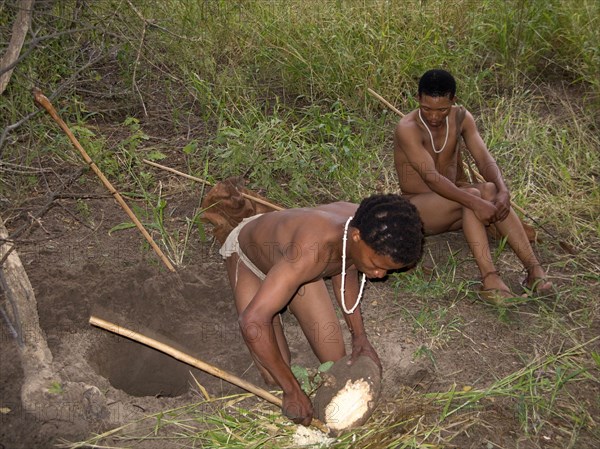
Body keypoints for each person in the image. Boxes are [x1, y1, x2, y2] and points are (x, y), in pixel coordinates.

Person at [219, 194, 423, 426]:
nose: (380, 275)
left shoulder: (365, 225)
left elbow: (346, 270)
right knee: (273, 375)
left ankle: (282, 292)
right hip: (251, 259)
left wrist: (360, 337)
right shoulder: (312, 251)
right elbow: (252, 321)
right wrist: (292, 391)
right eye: (377, 266)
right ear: (356, 237)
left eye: (387, 270)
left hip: (295, 269)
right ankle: (273, 299)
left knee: (336, 362)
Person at [394, 69, 552, 304]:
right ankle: (489, 278)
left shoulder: (461, 118)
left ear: (453, 101)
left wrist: (503, 190)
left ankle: (534, 271)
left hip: (454, 206)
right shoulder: (407, 128)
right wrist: (475, 201)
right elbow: (432, 179)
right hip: (418, 210)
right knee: (472, 195)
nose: (434, 117)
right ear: (418, 99)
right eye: (427, 108)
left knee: (488, 189)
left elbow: (484, 159)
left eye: (442, 109)